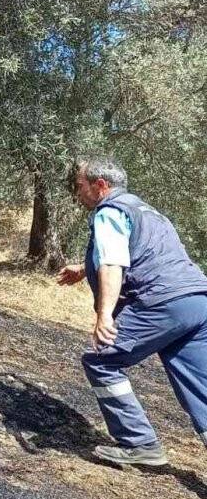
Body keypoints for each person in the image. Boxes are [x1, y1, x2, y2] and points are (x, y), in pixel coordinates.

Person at [57, 155, 207, 467]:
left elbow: (114, 262)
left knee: (101, 360)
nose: (77, 192)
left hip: (162, 303)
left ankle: (139, 444)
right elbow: (145, 253)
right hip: (197, 300)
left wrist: (105, 314)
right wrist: (85, 269)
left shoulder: (109, 211)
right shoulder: (148, 211)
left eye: (80, 185)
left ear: (100, 186)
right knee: (199, 384)